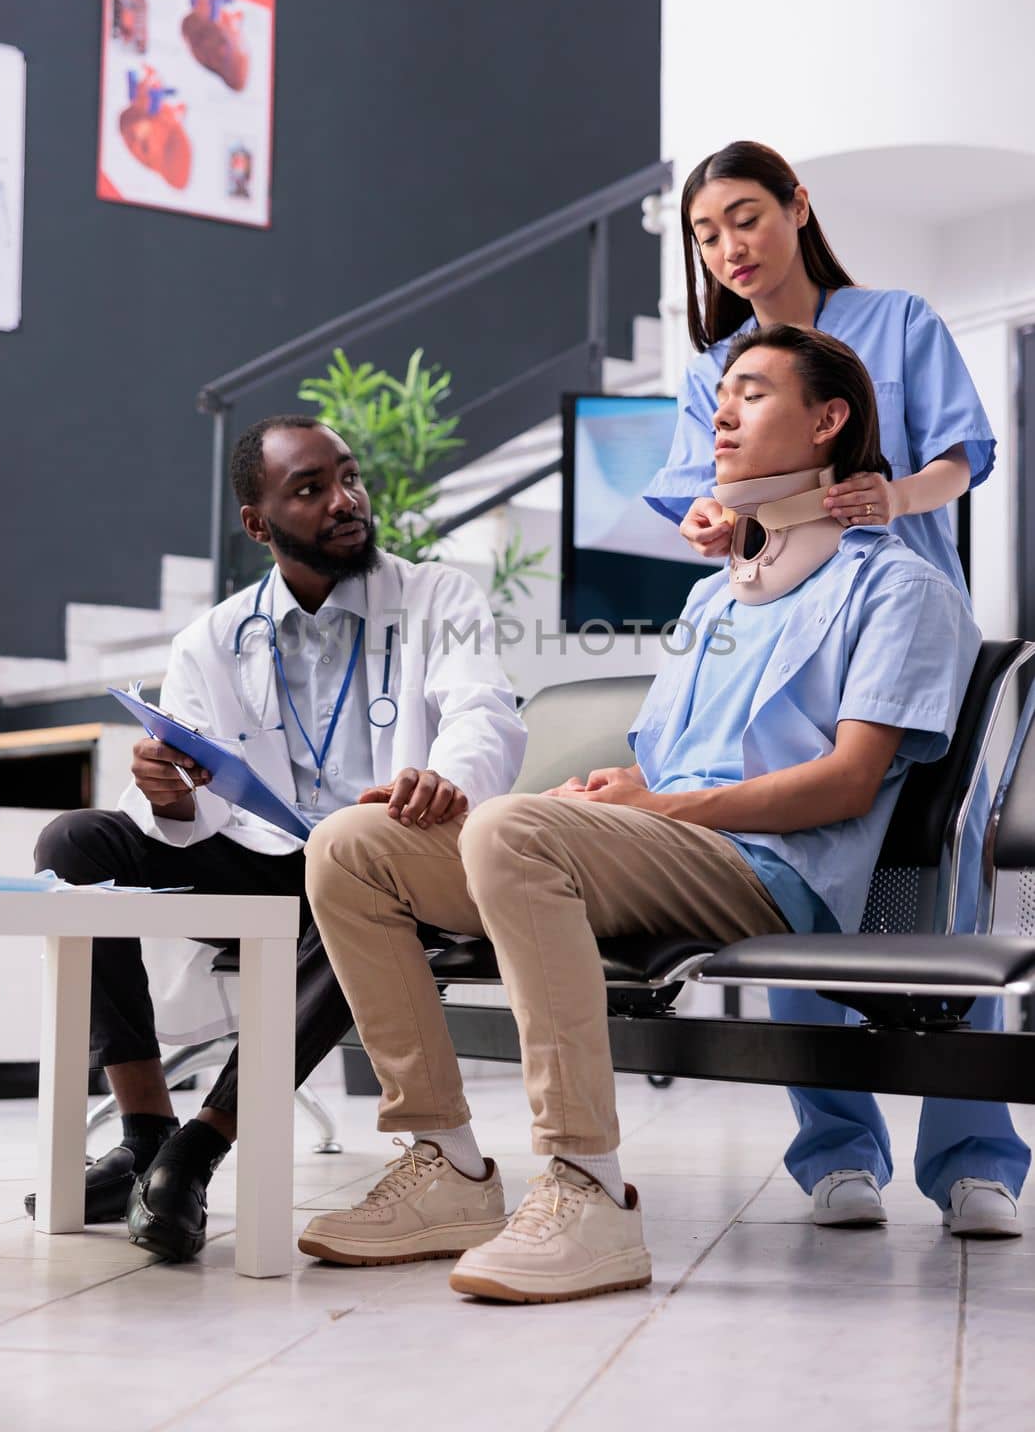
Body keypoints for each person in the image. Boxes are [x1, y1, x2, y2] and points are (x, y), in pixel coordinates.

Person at [297, 325, 1012, 1306]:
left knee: (509, 829)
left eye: (752, 393)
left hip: (773, 869)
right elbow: (653, 768)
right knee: (352, 846)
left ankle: (585, 1187)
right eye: (721, 393)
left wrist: (641, 808)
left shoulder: (898, 589)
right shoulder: (711, 601)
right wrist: (597, 796)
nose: (718, 411)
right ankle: (448, 1166)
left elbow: (845, 784)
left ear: (828, 419)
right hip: (669, 848)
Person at [27, 414, 526, 1261]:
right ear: (258, 524)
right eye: (310, 489)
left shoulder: (435, 596)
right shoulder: (215, 638)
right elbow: (192, 806)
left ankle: (197, 1149)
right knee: (75, 843)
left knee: (359, 875)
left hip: (384, 860)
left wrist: (448, 776)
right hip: (260, 865)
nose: (346, 501)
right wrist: (171, 799)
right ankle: (146, 1130)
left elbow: (481, 712)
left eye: (349, 477)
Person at [644, 139, 1029, 1232]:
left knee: (940, 887)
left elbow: (962, 457)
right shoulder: (714, 364)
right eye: (705, 234)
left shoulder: (896, 322)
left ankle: (974, 1154)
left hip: (905, 631)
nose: (727, 248)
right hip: (783, 641)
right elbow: (700, 506)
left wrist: (891, 494)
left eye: (744, 218)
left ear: (796, 208)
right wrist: (713, 524)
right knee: (790, 871)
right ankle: (836, 1147)